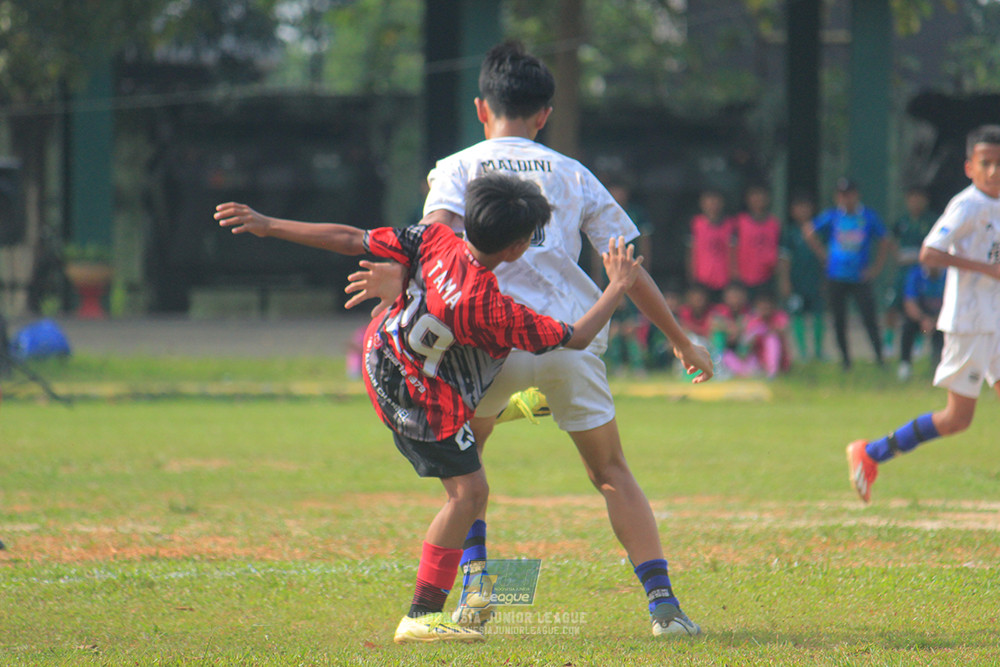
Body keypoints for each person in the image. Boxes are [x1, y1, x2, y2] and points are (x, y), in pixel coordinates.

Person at [344, 41, 713, 639]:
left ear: (481, 108)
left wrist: (396, 280)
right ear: (543, 114)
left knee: (470, 469)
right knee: (612, 471)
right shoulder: (574, 173)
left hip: (488, 345)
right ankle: (664, 608)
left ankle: (476, 592)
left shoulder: (458, 166)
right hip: (569, 341)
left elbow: (434, 247)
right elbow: (628, 267)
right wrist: (681, 340)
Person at [215, 173, 644, 643]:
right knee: (468, 494)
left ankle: (510, 409)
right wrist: (617, 285)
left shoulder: (435, 236)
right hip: (418, 402)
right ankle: (421, 615)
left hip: (383, 354)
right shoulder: (490, 307)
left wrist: (268, 223)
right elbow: (577, 337)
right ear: (518, 249)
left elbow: (349, 238)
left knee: (483, 362)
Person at [846, 124, 1000, 504]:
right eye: (986, 163)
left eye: (999, 163)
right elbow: (928, 253)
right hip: (970, 324)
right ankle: (871, 452)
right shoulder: (968, 205)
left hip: (994, 320)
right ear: (970, 167)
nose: (994, 171)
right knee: (957, 419)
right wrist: (984, 268)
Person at [806, 178, 891, 370]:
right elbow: (810, 231)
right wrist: (824, 255)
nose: (846, 199)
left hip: (860, 276)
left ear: (856, 195)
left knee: (869, 318)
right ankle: (846, 360)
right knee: (838, 320)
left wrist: (876, 268)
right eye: (842, 195)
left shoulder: (867, 216)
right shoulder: (833, 216)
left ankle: (879, 357)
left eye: (849, 194)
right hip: (836, 275)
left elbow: (884, 239)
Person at [884, 185, 939, 355]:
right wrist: (898, 256)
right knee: (891, 305)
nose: (915, 202)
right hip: (903, 272)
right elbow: (889, 239)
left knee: (919, 306)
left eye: (918, 197)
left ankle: (918, 342)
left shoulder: (930, 221)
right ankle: (889, 341)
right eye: (911, 197)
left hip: (922, 272)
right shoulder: (902, 221)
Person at [778, 192, 826, 361]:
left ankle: (819, 351)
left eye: (806, 207)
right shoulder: (790, 233)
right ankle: (803, 352)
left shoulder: (820, 230)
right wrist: (785, 282)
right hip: (797, 281)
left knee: (818, 314)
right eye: (799, 208)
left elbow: (825, 257)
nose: (803, 211)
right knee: (797, 314)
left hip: (816, 280)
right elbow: (784, 259)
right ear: (792, 211)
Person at [731, 184, 781, 299]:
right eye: (754, 195)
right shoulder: (739, 222)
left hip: (767, 280)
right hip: (744, 280)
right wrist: (734, 275)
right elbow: (732, 250)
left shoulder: (774, 224)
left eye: (761, 195)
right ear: (747, 199)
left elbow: (780, 253)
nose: (758, 199)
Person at [896, 263, 945, 381]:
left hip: (941, 317)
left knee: (944, 331)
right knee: (907, 327)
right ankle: (905, 365)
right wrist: (923, 319)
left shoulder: (948, 276)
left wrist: (936, 320)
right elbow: (909, 302)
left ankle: (939, 366)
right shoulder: (916, 274)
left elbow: (953, 303)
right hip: (921, 317)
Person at [686, 188, 732, 304]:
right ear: (702, 203)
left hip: (725, 280)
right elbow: (690, 253)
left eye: (716, 201)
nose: (713, 205)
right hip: (701, 280)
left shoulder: (731, 225)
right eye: (709, 201)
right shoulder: (695, 224)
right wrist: (692, 279)